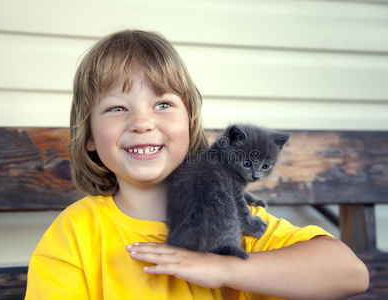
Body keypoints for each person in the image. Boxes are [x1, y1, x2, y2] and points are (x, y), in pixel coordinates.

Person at [25, 29, 369, 300]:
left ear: (189, 125)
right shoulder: (74, 234)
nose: (142, 122)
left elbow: (350, 273)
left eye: (162, 105)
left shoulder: (237, 219)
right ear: (88, 136)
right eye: (117, 108)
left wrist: (223, 267)